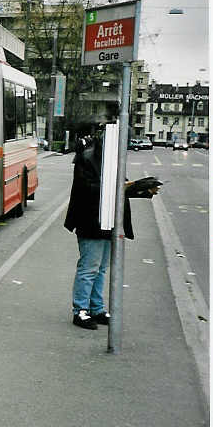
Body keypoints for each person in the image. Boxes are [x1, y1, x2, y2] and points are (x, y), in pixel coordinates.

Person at [63, 132, 160, 330]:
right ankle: (80, 310)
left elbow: (119, 189)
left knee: (99, 269)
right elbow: (87, 189)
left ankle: (96, 308)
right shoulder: (88, 157)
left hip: (109, 221)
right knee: (90, 267)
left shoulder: (111, 159)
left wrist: (142, 189)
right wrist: (121, 187)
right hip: (92, 220)